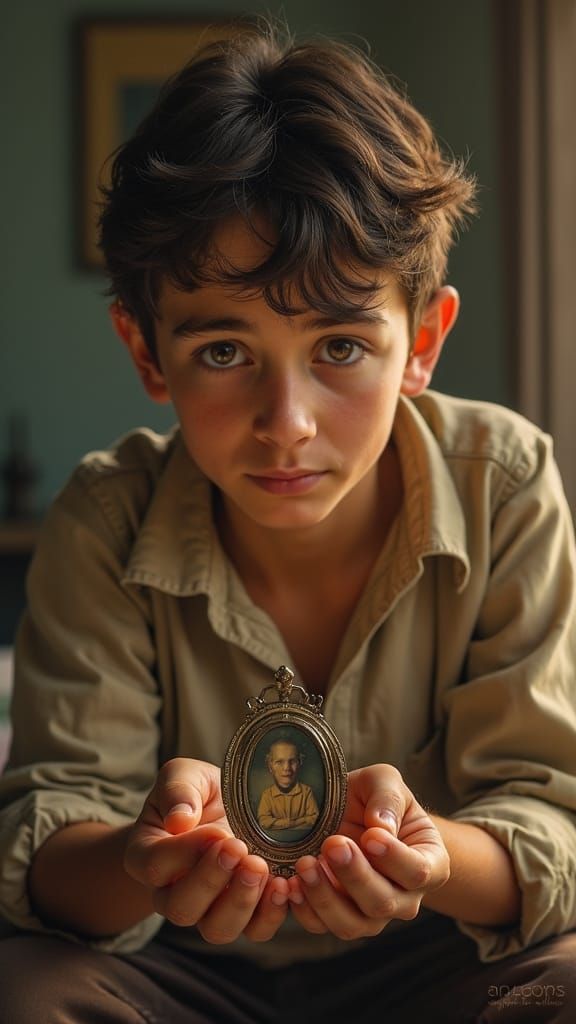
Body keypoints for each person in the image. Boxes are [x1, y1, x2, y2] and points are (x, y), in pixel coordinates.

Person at [1, 19, 575, 1023]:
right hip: (179, 972)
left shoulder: (505, 484)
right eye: (224, 351)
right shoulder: (103, 515)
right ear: (146, 352)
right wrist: (149, 858)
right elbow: (50, 835)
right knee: (29, 989)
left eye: (343, 347)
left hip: (435, 962)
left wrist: (428, 856)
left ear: (423, 342)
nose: (287, 424)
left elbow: (548, 814)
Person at [257, 739, 320, 833]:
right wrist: (293, 823)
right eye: (279, 762)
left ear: (300, 763)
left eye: (292, 761)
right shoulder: (267, 795)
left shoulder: (306, 792)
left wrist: (286, 824)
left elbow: (314, 819)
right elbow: (263, 822)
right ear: (270, 767)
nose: (287, 768)